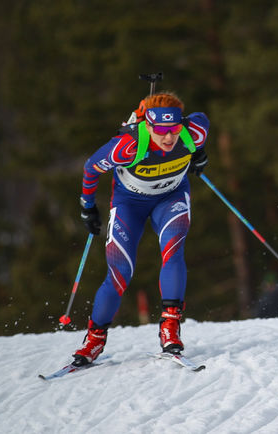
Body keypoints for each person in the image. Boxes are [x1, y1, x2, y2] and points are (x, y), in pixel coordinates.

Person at [71, 92, 210, 366]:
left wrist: (199, 153)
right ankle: (94, 339)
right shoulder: (127, 147)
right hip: (129, 205)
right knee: (120, 273)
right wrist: (88, 206)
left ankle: (170, 327)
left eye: (173, 130)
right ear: (147, 126)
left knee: (173, 253)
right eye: (160, 131)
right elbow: (91, 168)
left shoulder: (193, 132)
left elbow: (201, 120)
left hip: (171, 197)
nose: (169, 138)